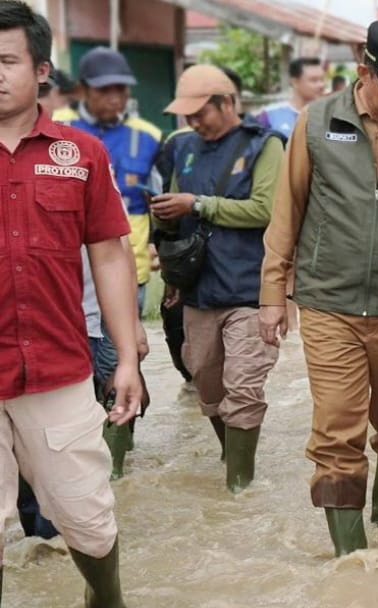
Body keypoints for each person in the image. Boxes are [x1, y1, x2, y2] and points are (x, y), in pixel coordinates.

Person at [259, 20, 378, 557]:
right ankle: (355, 563)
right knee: (337, 431)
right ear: (364, 72)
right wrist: (273, 292)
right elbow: (288, 208)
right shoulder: (317, 122)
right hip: (329, 304)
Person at [0, 2, 142, 604]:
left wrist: (130, 357)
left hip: (57, 368)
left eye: (6, 60)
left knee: (87, 519)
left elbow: (110, 255)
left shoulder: (80, 155)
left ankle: (104, 599)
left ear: (42, 71)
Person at [151, 64, 284, 493]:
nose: (192, 122)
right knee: (208, 388)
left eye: (200, 112)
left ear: (227, 103)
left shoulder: (264, 146)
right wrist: (171, 272)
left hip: (251, 289)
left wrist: (200, 205)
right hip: (198, 289)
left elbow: (267, 209)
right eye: (186, 115)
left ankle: (239, 489)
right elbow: (172, 211)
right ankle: (232, 457)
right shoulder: (182, 147)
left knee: (243, 388)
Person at [54, 47, 161, 314]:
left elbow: (158, 201)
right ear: (81, 91)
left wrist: (158, 247)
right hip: (67, 270)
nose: (115, 99)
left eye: (121, 90)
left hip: (129, 267)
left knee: (126, 351)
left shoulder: (149, 136)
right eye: (105, 90)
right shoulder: (56, 127)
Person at [256, 56, 325, 139]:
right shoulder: (270, 115)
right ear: (294, 82)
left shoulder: (330, 116)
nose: (321, 85)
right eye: (314, 80)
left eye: (322, 79)